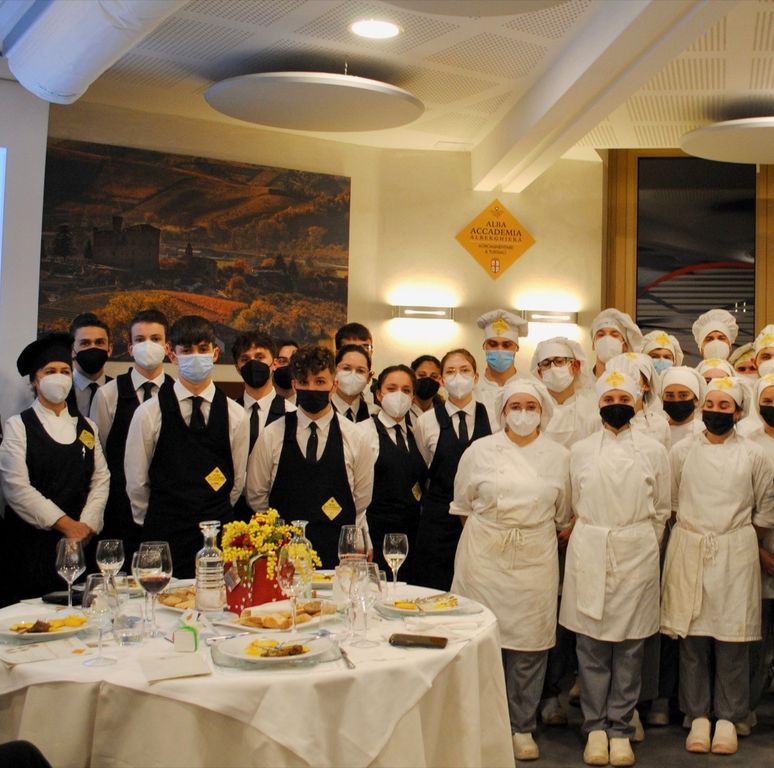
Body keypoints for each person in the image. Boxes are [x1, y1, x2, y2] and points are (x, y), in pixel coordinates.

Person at [451, 379, 571, 761]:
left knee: (530, 643)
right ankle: (482, 723)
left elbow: (564, 513)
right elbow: (462, 505)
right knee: (480, 639)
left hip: (535, 554)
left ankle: (522, 725)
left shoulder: (559, 456)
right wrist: (493, 535)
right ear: (502, 411)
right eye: (515, 407)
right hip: (483, 555)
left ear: (542, 412)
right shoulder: (479, 451)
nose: (522, 414)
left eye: (530, 407)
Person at [560, 362, 670, 767]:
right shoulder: (580, 451)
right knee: (590, 644)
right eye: (609, 398)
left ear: (638, 403)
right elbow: (572, 503)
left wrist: (640, 542)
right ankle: (594, 727)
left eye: (624, 398)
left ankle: (621, 727)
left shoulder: (655, 451)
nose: (617, 404)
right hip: (590, 546)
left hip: (636, 550)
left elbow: (662, 508)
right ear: (598, 404)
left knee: (630, 646)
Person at [661, 377, 774, 756]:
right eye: (710, 405)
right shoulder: (682, 452)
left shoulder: (754, 455)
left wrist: (735, 538)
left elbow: (765, 509)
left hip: (736, 552)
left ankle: (728, 717)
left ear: (739, 412)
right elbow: (672, 502)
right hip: (690, 547)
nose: (715, 412)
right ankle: (697, 715)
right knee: (692, 638)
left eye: (724, 406)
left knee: (733, 638)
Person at [124, 315, 248, 577]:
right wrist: (161, 516)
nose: (195, 357)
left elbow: (237, 481)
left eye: (203, 349)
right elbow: (136, 482)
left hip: (217, 535)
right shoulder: (148, 413)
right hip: (164, 534)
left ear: (215, 354)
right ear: (172, 354)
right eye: (187, 350)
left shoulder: (236, 414)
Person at [0, 333, 109, 605]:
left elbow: (101, 479)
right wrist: (67, 526)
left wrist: (85, 526)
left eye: (64, 371)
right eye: (50, 371)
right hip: (32, 548)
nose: (59, 377)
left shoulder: (87, 427)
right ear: (35, 380)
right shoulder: (18, 426)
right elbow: (17, 488)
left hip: (81, 546)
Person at [245, 345, 373, 568]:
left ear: (334, 384)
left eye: (320, 382)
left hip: (338, 556)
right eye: (304, 382)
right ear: (295, 385)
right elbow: (256, 496)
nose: (312, 388)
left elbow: (361, 499)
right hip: (284, 557)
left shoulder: (355, 437)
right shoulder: (272, 434)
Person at [530, 337, 598, 727]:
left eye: (562, 361)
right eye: (547, 363)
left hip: (581, 524)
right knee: (541, 611)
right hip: (538, 522)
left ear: (576, 366)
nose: (554, 369)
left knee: (573, 613)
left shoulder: (591, 409)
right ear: (537, 371)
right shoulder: (531, 407)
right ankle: (543, 695)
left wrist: (576, 520)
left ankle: (568, 688)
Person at [89, 309, 173, 559]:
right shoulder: (107, 394)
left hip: (166, 508)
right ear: (130, 347)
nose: (148, 345)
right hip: (119, 509)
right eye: (140, 339)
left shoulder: (176, 393)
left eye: (155, 339)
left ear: (167, 347)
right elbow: (102, 451)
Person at [414, 348, 492, 590]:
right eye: (451, 371)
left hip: (480, 516)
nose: (458, 376)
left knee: (477, 587)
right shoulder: (425, 421)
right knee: (434, 588)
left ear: (476, 377)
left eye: (464, 370)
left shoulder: (492, 417)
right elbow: (423, 463)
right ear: (441, 380)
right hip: (438, 517)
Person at [356, 365, 426, 581]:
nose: (399, 395)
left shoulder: (417, 432)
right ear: (379, 394)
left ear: (413, 396)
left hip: (412, 534)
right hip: (376, 532)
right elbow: (355, 492)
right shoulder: (362, 432)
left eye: (406, 390)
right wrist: (362, 535)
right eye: (391, 388)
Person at [738, 374, 774, 729]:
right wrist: (761, 552)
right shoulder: (749, 447)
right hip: (757, 552)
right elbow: (744, 507)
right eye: (768, 401)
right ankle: (744, 708)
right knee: (755, 644)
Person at [231, 331, 295, 521]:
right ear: (237, 367)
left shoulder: (291, 413)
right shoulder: (229, 413)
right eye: (245, 359)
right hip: (234, 511)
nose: (253, 364)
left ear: (274, 363)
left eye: (260, 357)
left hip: (277, 511)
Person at [474, 309, 527, 421]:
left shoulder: (529, 385)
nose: (499, 350)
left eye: (506, 345)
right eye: (493, 344)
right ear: (484, 346)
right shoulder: (472, 387)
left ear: (516, 348)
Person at [610, 352, 671, 450]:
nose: (626, 384)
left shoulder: (660, 425)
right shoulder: (598, 421)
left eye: (632, 378)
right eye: (621, 378)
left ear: (646, 385)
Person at [69, 312, 113, 417]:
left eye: (99, 342)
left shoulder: (119, 390)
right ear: (71, 350)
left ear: (109, 349)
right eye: (85, 343)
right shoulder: (61, 389)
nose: (93, 347)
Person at [659, 366, 706, 447]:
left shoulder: (704, 432)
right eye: (670, 396)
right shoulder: (655, 431)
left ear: (696, 400)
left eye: (683, 395)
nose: (676, 400)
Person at [590, 309, 643, 377]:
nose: (607, 339)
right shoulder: (583, 380)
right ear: (593, 344)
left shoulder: (633, 381)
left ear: (625, 346)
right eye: (601, 335)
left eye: (614, 335)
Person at [332, 344, 374, 422]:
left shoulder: (374, 414)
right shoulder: (320, 410)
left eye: (360, 371)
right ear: (334, 371)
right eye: (346, 368)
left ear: (369, 378)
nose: (353, 375)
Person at [409, 354, 443, 424]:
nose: (428, 380)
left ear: (441, 380)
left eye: (434, 376)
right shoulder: (401, 410)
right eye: (421, 375)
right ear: (412, 377)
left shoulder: (444, 412)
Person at [272, 338, 299, 403]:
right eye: (282, 361)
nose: (289, 366)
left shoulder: (305, 404)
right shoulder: (261, 404)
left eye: (294, 360)